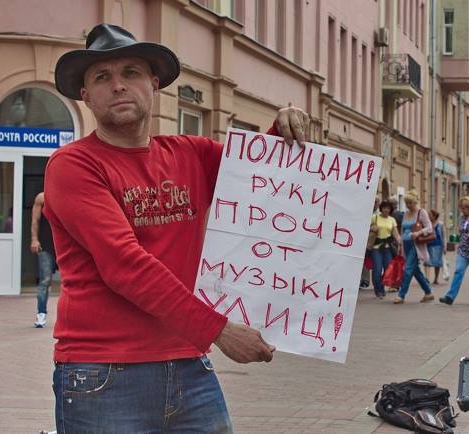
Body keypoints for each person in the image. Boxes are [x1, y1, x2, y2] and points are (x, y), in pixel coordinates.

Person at [46, 23, 310, 432]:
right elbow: (125, 265)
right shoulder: (73, 166)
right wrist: (218, 329)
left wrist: (283, 129)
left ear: (154, 84)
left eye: (130, 72)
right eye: (102, 77)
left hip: (188, 366)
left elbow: (260, 179)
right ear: (85, 96)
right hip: (103, 373)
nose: (118, 86)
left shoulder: (191, 153)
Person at [393, 190, 435, 304]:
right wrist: (400, 243)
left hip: (416, 245)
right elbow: (402, 230)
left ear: (415, 202)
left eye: (410, 203)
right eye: (406, 203)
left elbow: (429, 228)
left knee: (407, 270)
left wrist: (418, 233)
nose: (408, 205)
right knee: (415, 270)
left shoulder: (422, 212)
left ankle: (401, 295)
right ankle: (428, 293)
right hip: (405, 244)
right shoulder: (405, 214)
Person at [30, 192, 56, 328]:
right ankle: (41, 313)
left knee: (72, 281)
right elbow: (35, 220)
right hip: (46, 245)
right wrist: (34, 239)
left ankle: (71, 316)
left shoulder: (68, 193)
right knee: (45, 280)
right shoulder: (42, 197)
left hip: (64, 245)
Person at [370, 200, 403, 298]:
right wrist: (371, 228)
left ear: (390, 209)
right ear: (381, 208)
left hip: (387, 248)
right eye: (384, 207)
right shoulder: (374, 217)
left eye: (388, 208)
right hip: (376, 248)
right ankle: (379, 291)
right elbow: (365, 227)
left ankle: (381, 286)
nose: (386, 210)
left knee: (388, 270)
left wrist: (400, 243)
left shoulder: (392, 220)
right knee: (377, 269)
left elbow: (396, 234)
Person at [424, 210, 445, 284]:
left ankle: (436, 279)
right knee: (427, 262)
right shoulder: (427, 224)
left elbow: (443, 236)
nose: (428, 216)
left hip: (437, 245)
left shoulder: (440, 224)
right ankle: (427, 279)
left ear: (434, 216)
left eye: (430, 215)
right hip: (428, 245)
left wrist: (444, 247)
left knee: (437, 263)